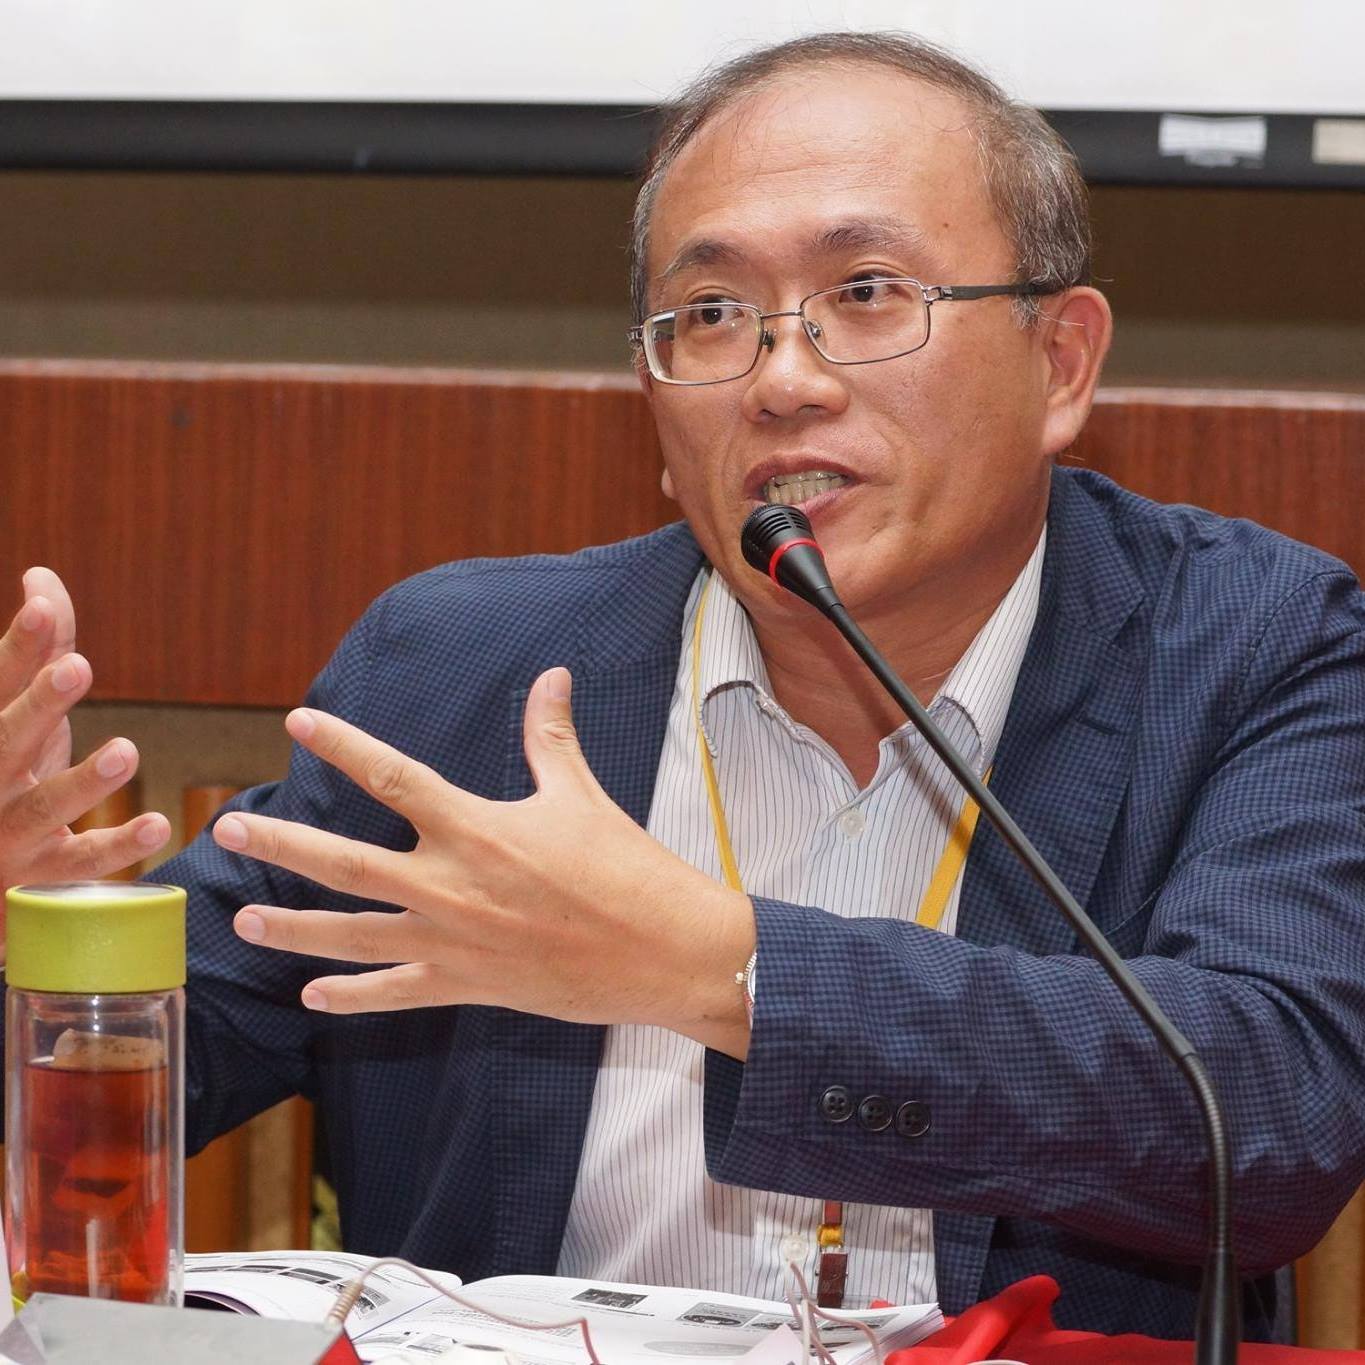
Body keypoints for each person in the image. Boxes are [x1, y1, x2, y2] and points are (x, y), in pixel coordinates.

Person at [3, 30, 1364, 1343]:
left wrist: (725, 969)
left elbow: (1273, 1114)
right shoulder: (456, 677)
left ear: (1060, 363)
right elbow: (129, 1072)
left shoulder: (1254, 649)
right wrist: (30, 961)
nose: (783, 378)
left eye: (868, 293)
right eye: (711, 316)